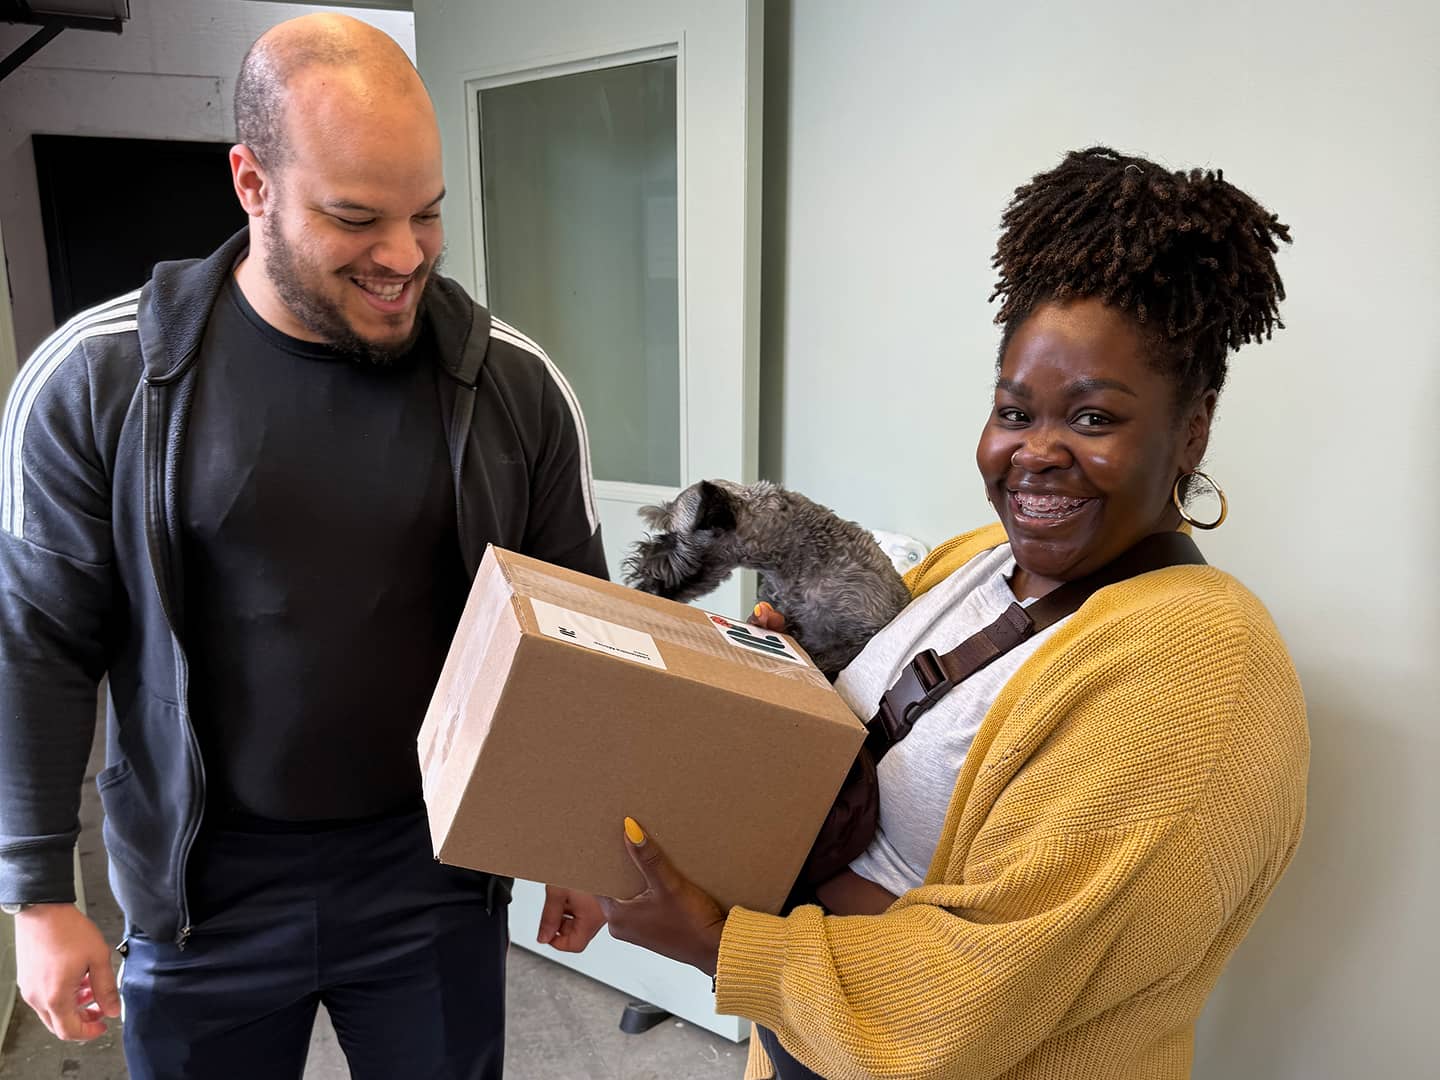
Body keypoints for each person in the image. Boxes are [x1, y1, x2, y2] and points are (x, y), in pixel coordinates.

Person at [597, 147, 1309, 1079]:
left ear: (1194, 430)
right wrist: (793, 684)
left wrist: (718, 941)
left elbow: (974, 997)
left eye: (1093, 419)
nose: (1036, 452)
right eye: (1015, 412)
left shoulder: (1203, 672)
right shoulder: (979, 564)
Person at [0, 13, 606, 1078]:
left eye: (428, 214)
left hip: (431, 874)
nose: (404, 257)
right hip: (202, 893)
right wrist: (38, 892)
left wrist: (579, 832)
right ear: (252, 183)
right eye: (356, 218)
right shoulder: (97, 380)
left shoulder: (514, 385)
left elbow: (576, 634)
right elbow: (35, 646)